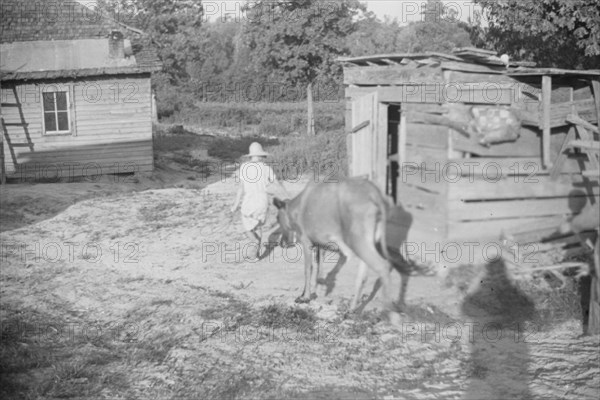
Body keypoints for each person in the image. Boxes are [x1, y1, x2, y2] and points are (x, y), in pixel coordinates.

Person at [231, 142, 288, 259]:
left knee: (248, 227)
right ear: (260, 154)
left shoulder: (244, 167)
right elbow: (277, 184)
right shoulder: (266, 168)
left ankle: (255, 242)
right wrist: (286, 196)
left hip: (249, 201)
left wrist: (235, 205)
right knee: (257, 226)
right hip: (262, 202)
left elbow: (241, 188)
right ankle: (255, 255)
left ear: (251, 155)